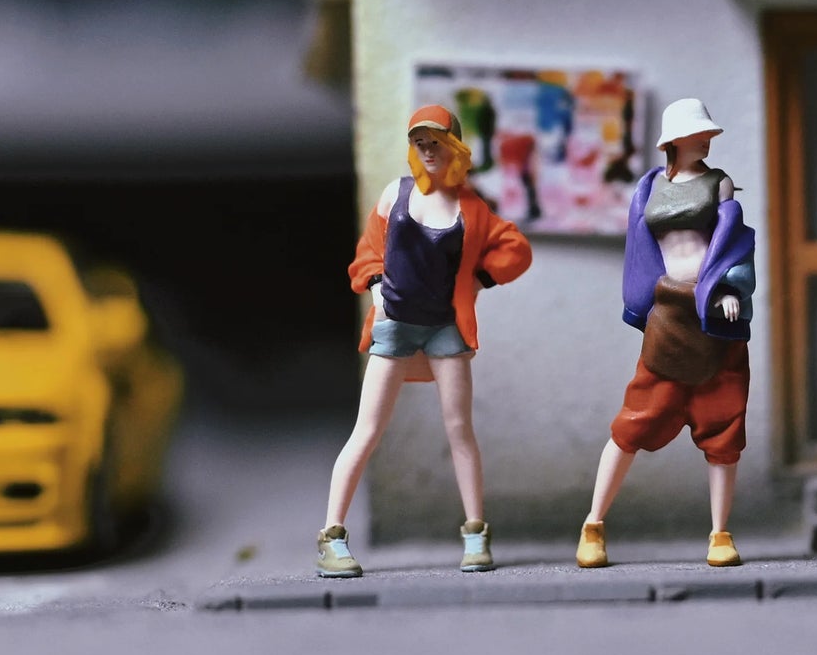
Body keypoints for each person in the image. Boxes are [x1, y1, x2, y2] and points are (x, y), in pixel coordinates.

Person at [318, 105, 532, 577]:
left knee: (459, 430)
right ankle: (331, 536)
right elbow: (368, 250)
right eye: (420, 143)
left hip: (445, 327)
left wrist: (479, 279)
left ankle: (475, 533)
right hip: (395, 323)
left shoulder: (471, 207)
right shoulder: (395, 193)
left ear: (455, 146)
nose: (428, 151)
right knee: (367, 430)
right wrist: (377, 286)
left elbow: (516, 249)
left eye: (437, 142)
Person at [577, 97, 755, 569]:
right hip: (668, 313)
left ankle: (720, 532)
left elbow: (735, 245)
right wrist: (640, 299)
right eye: (699, 133)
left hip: (714, 316)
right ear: (675, 139)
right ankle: (593, 523)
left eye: (709, 133)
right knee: (633, 421)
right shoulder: (650, 187)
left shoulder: (720, 183)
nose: (707, 140)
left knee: (723, 425)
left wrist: (730, 287)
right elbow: (641, 248)